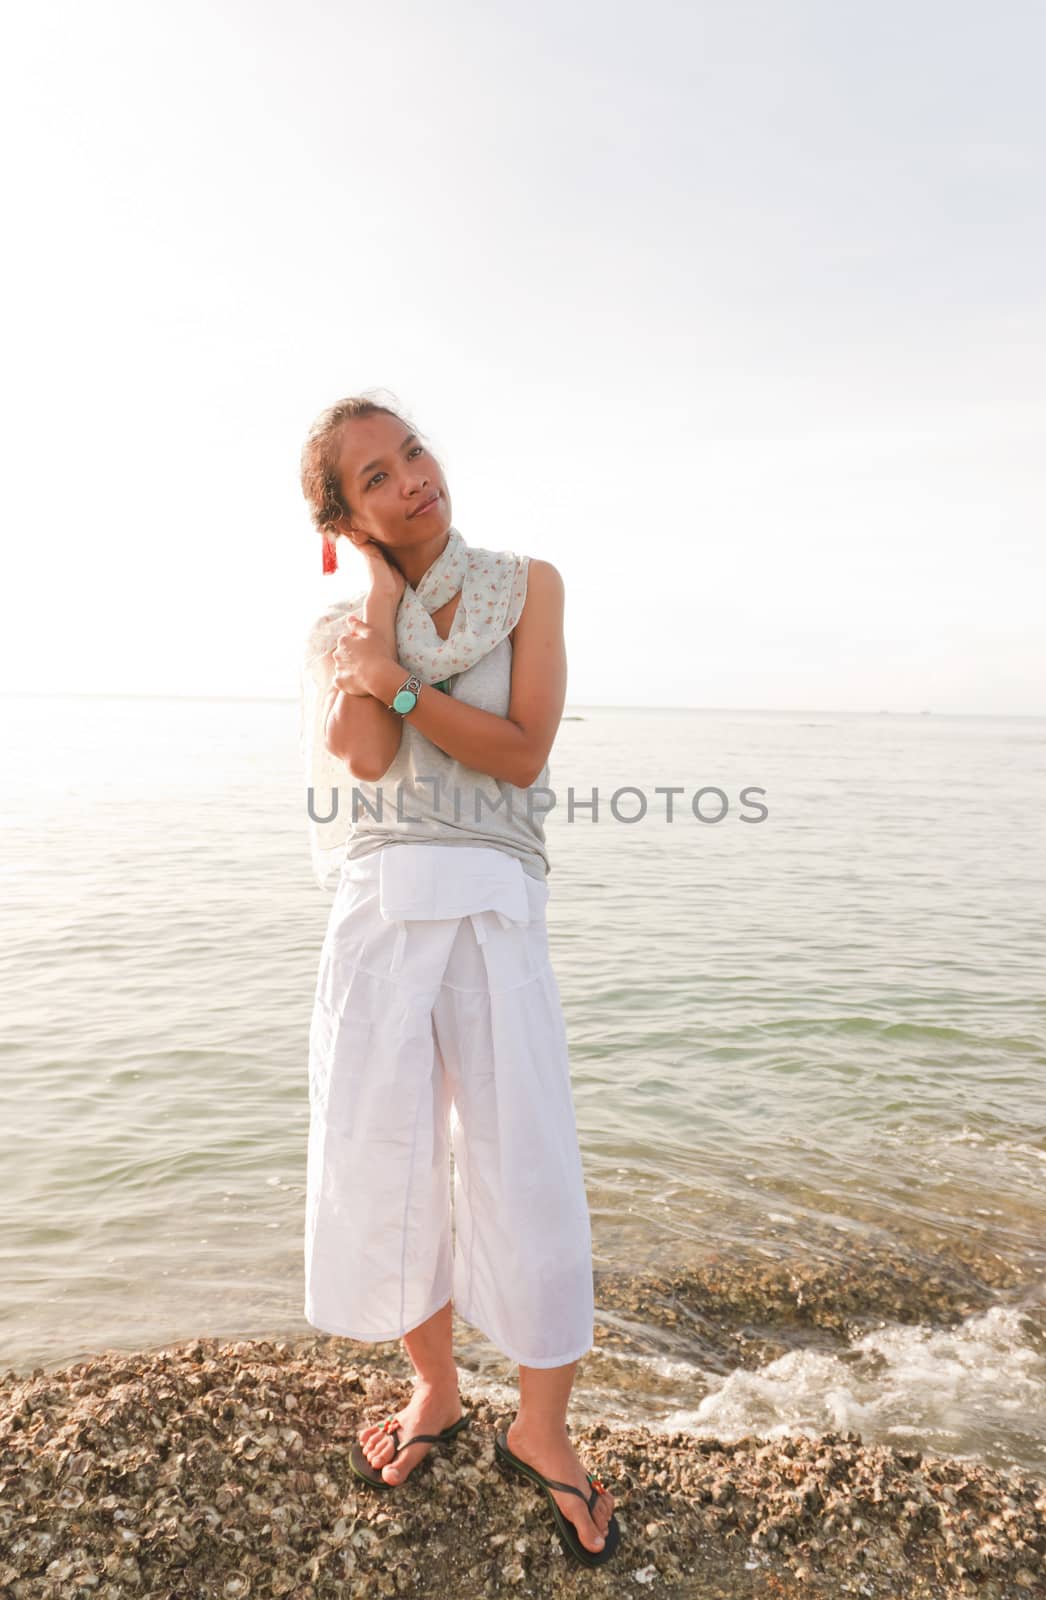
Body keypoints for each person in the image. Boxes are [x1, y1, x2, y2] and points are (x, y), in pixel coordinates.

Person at [297, 396, 620, 1564]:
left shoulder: (528, 585)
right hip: (382, 914)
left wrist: (394, 677)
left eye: (415, 452)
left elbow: (523, 747)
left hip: (492, 900)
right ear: (346, 517)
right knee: (385, 1159)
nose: (414, 480)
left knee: (522, 1155)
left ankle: (542, 1431)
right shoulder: (346, 622)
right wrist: (378, 611)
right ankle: (433, 1390)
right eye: (376, 476)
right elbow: (371, 760)